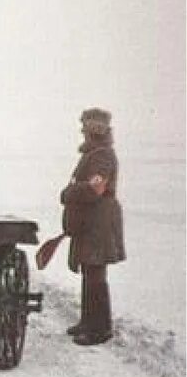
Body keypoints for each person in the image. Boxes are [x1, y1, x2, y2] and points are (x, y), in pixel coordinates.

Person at [60, 108, 126, 346]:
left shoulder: (102, 156)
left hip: (99, 222)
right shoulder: (95, 154)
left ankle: (99, 329)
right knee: (90, 271)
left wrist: (68, 193)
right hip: (91, 222)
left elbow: (94, 189)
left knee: (96, 274)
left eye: (86, 127)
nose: (82, 131)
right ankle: (88, 321)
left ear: (94, 130)